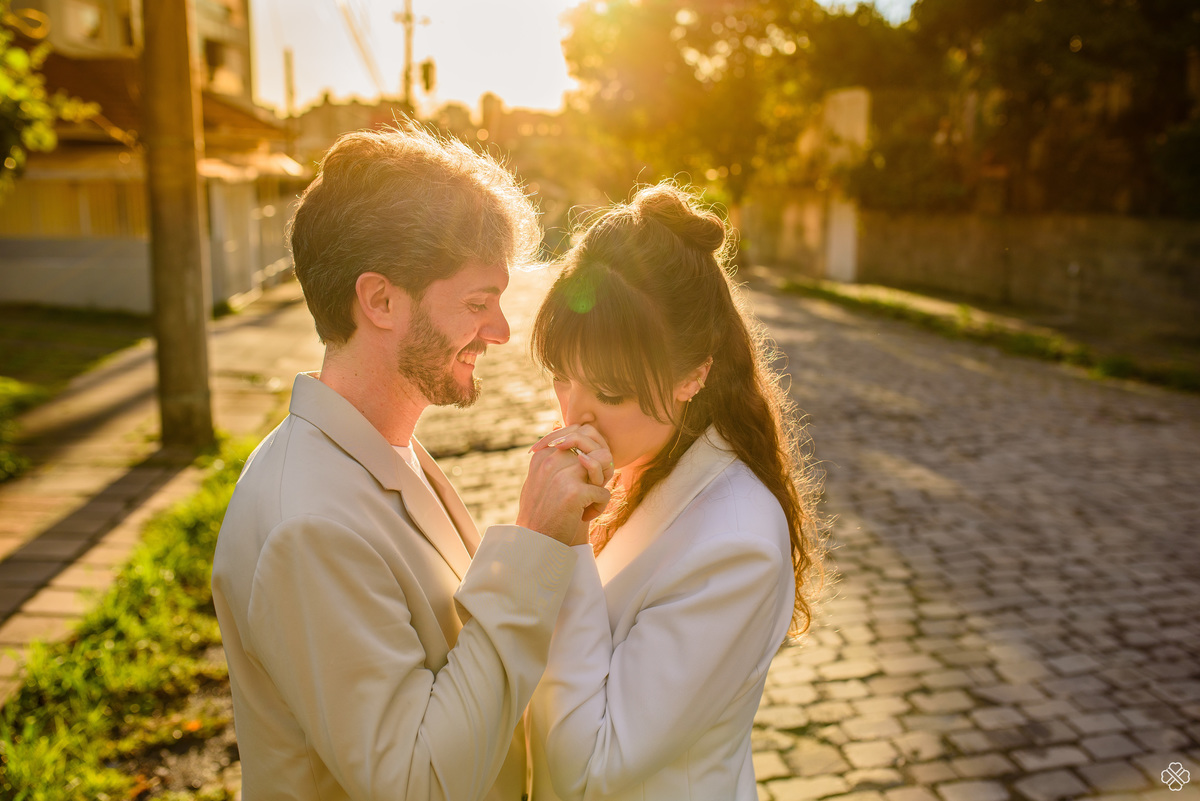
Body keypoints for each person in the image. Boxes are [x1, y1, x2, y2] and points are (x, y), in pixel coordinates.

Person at [211, 125, 612, 801]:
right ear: (381, 300)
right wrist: (534, 545)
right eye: (478, 303)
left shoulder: (383, 449)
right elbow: (417, 781)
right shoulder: (308, 527)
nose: (500, 332)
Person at [524, 183, 822, 800]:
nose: (575, 417)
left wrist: (561, 543)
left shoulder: (735, 544)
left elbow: (588, 767)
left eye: (609, 393)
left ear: (694, 373)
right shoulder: (643, 463)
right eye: (561, 379)